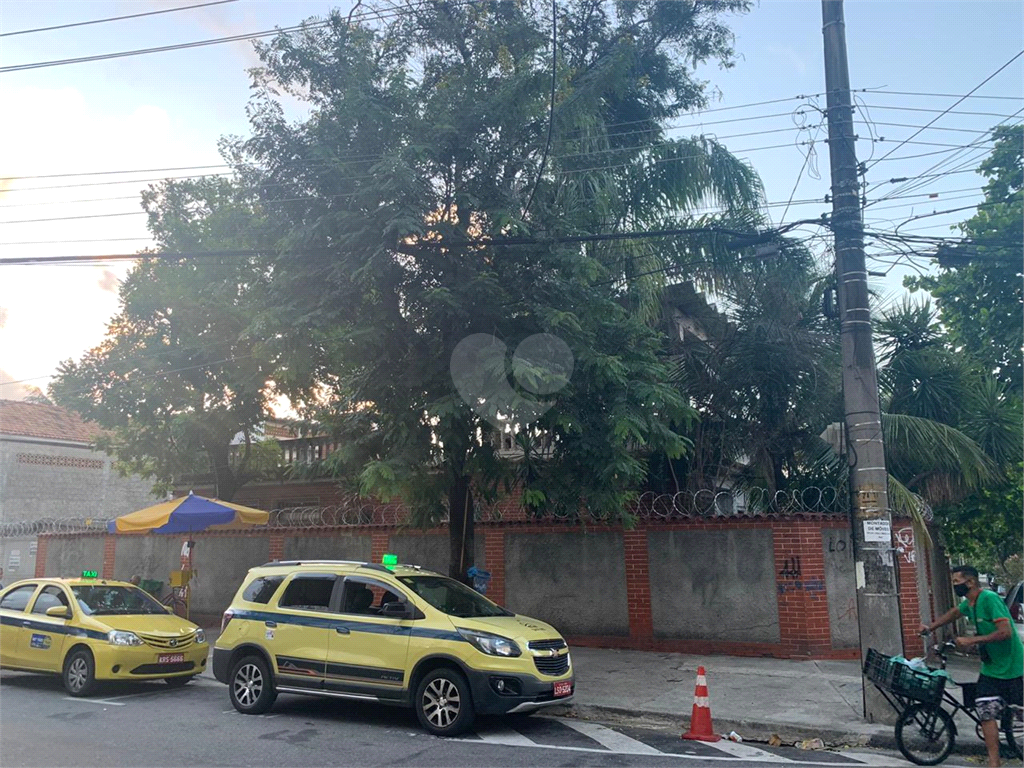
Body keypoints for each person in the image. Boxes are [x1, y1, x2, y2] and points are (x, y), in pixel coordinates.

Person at [921, 564, 1024, 767]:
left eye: (957, 582)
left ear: (971, 582)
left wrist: (972, 641)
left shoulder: (989, 599)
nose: (955, 586)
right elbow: (953, 613)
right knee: (985, 710)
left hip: (1011, 666)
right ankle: (994, 762)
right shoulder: (971, 603)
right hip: (991, 667)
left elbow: (1006, 632)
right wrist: (930, 628)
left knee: (1019, 711)